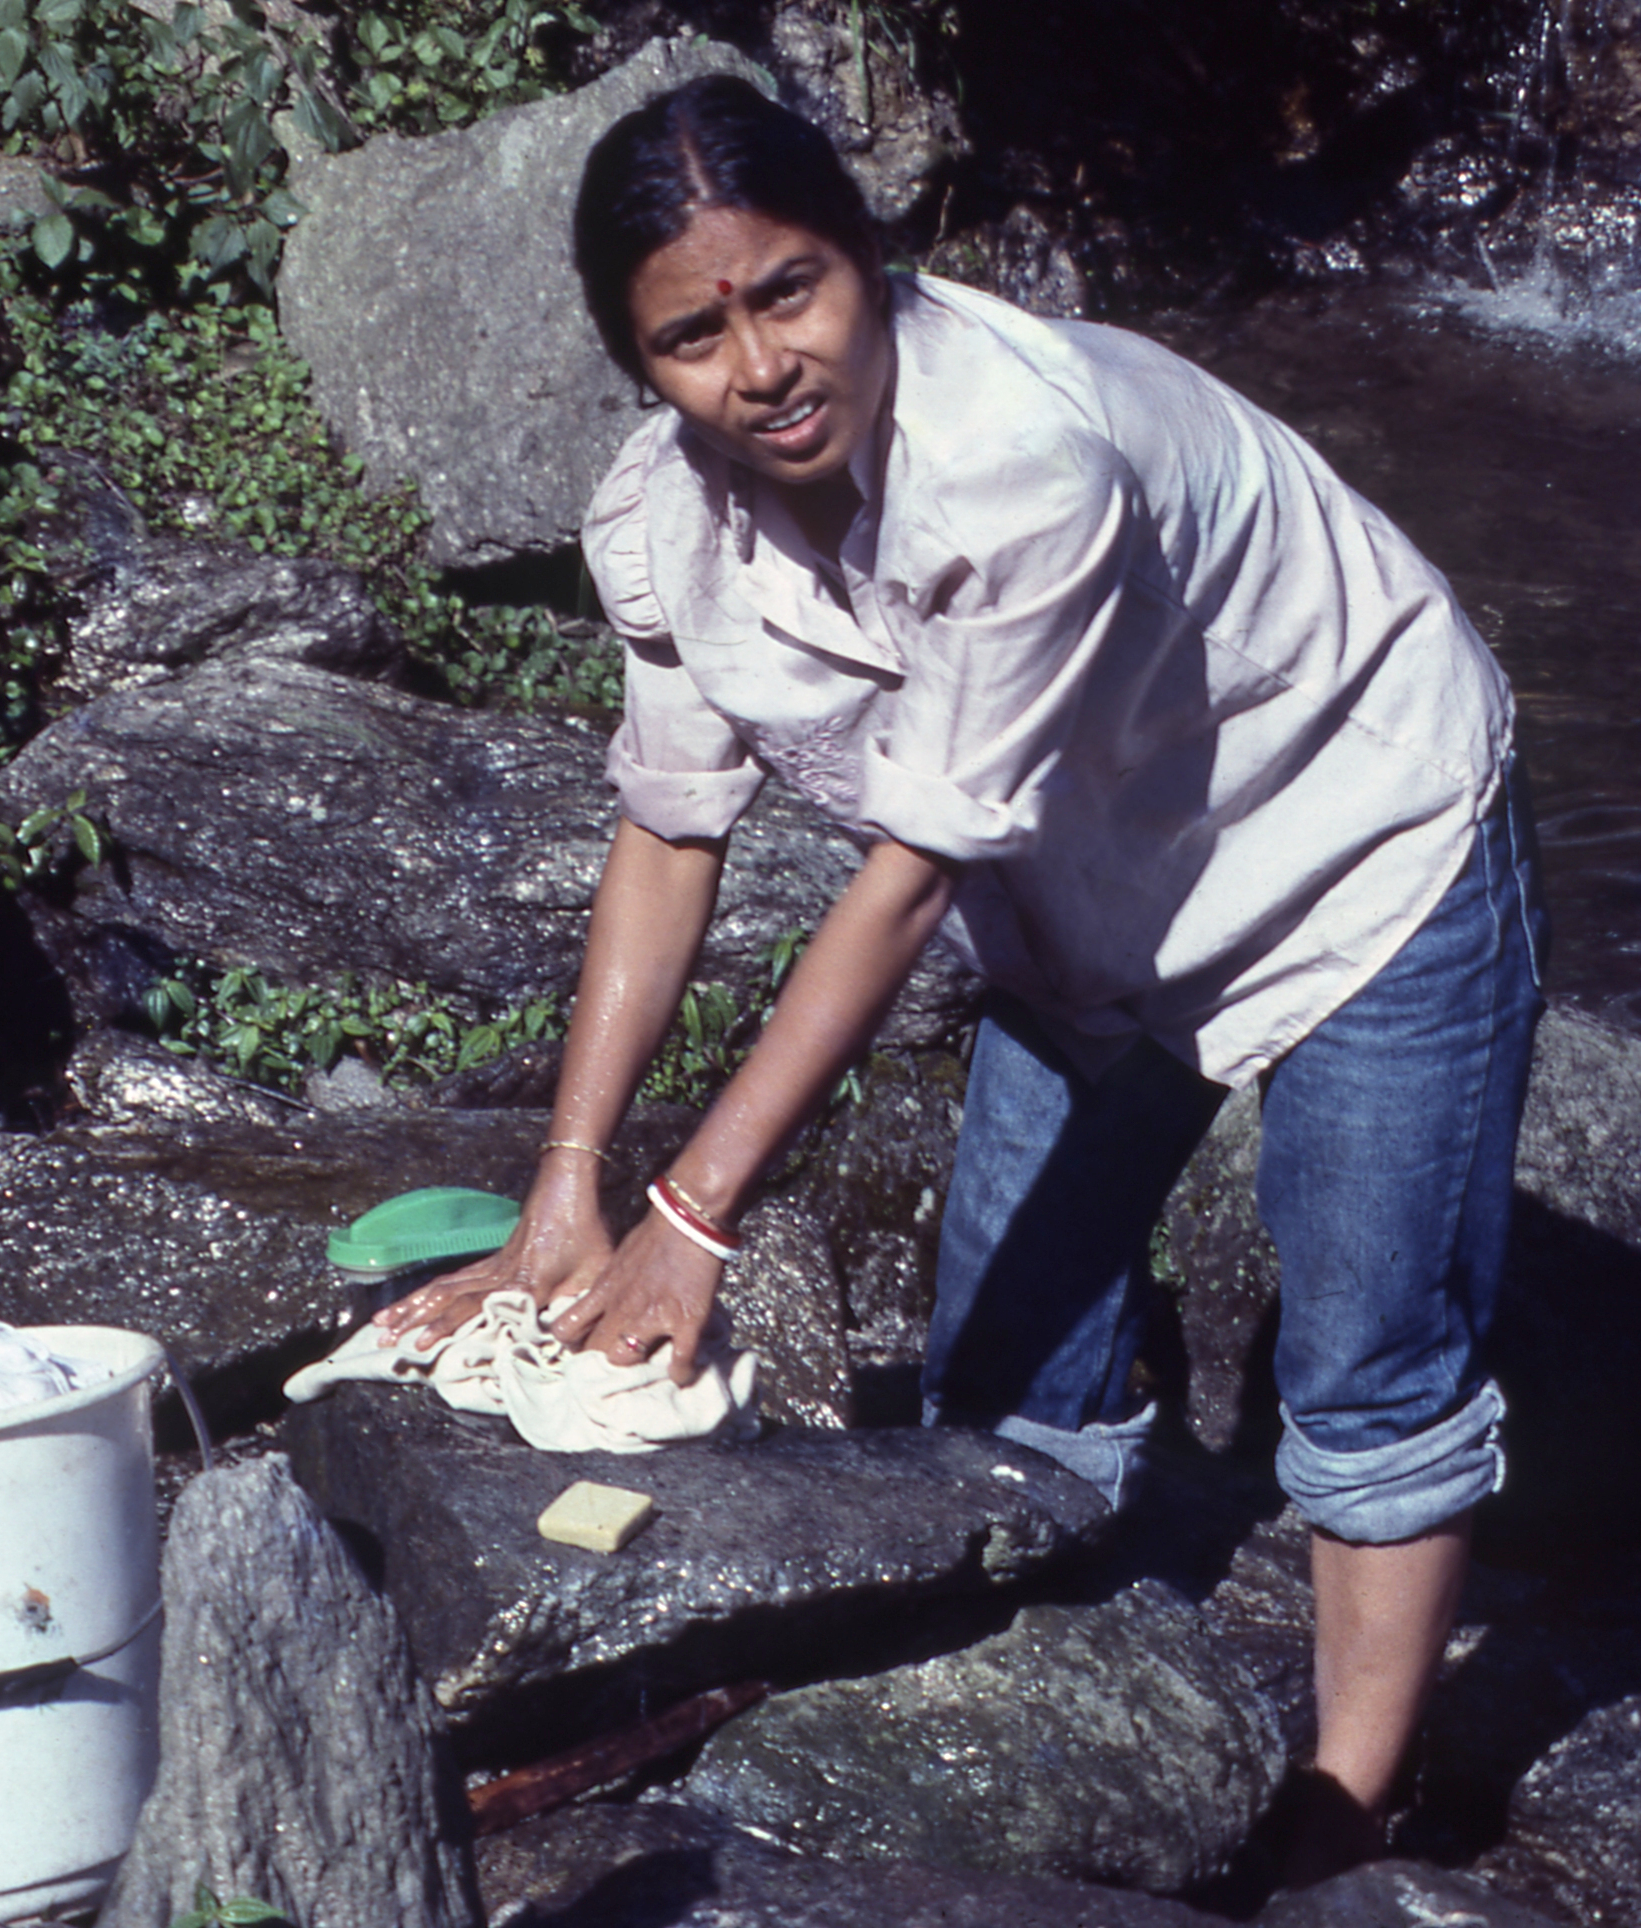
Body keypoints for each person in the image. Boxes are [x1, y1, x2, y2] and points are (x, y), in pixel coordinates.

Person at [375, 73, 1544, 1882]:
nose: (759, 364)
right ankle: (1076, 1724)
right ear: (642, 365)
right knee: (1004, 1384)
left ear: (874, 264)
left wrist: (690, 1216)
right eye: (692, 333)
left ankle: (1340, 1813)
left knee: (1369, 1358)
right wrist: (564, 1188)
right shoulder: (664, 521)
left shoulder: (1015, 460)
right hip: (1079, 894)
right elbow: (670, 833)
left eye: (791, 292)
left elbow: (912, 878)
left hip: (1344, 838)